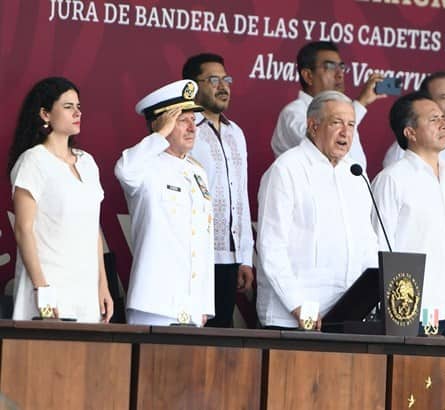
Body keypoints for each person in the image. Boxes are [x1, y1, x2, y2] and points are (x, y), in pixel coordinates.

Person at [257, 90, 378, 329]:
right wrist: (298, 306)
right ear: (313, 126)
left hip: (348, 316)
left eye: (351, 125)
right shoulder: (287, 169)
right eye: (337, 123)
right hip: (293, 319)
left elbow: (368, 243)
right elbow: (271, 246)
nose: (346, 132)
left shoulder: (355, 173)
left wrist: (373, 300)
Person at [8, 77, 113, 322]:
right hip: (48, 284)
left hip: (86, 288)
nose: (77, 112)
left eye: (78, 106)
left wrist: (103, 284)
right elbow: (23, 230)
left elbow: (93, 228)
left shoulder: (87, 162)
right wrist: (40, 287)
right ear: (45, 114)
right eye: (68, 107)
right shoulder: (33, 161)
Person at [383, 71, 445, 334]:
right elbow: (379, 247)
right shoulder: (393, 177)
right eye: (433, 118)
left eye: (441, 117)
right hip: (409, 308)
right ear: (410, 132)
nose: (443, 123)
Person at [115, 80, 215, 326]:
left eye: (194, 120)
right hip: (154, 302)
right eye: (182, 120)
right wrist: (159, 135)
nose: (192, 127)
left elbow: (203, 241)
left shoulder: (197, 172)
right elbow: (124, 170)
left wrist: (202, 302)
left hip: (191, 305)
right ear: (160, 123)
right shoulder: (145, 165)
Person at [182, 53, 254, 328]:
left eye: (226, 79)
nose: (223, 86)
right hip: (196, 254)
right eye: (213, 80)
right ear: (192, 86)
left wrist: (245, 258)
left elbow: (241, 198)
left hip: (230, 256)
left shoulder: (236, 133)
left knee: (222, 334)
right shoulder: (185, 130)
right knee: (193, 334)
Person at [270, 41, 384, 170]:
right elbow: (323, 144)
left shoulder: (346, 115)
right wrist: (359, 104)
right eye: (330, 67)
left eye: (341, 67)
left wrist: (360, 104)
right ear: (308, 76)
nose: (340, 74)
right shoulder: (293, 113)